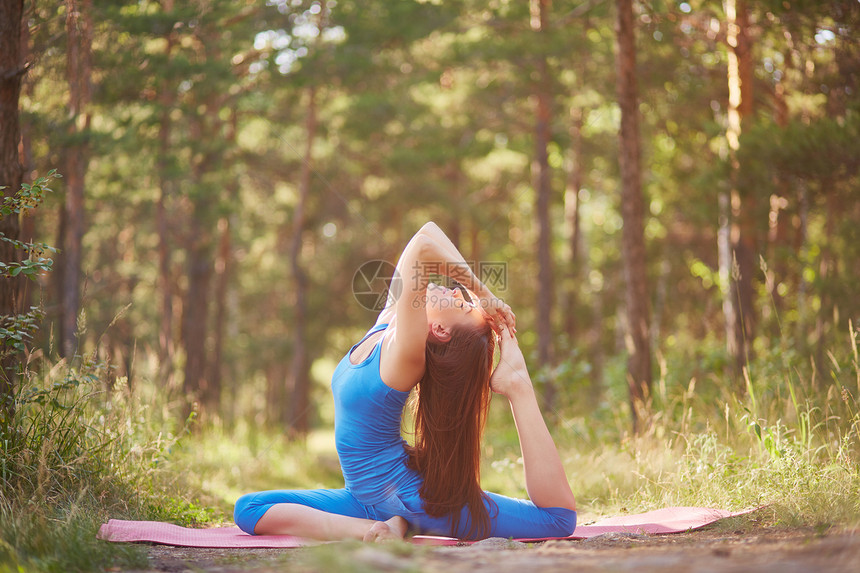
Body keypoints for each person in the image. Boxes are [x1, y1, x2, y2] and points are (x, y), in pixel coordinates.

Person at [233, 222, 577, 541]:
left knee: (557, 520)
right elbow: (426, 232)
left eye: (461, 304)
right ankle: (382, 527)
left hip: (410, 497)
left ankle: (518, 386)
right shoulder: (390, 321)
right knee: (248, 509)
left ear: (439, 330)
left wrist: (482, 293)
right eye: (464, 296)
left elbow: (423, 250)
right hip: (363, 496)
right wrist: (480, 296)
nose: (459, 293)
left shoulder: (406, 355)